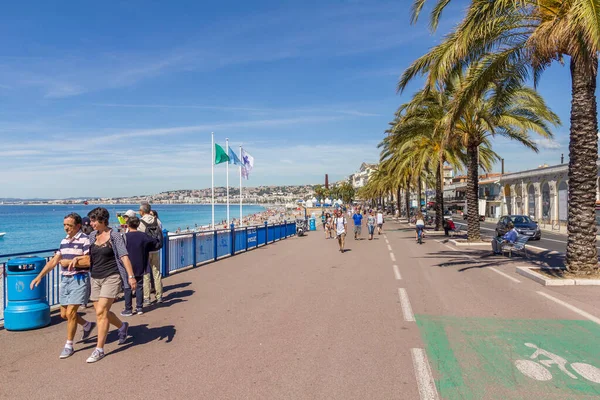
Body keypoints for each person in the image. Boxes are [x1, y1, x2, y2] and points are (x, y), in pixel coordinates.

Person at [30, 213, 95, 359]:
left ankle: (69, 345)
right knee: (64, 314)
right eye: (65, 225)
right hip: (64, 280)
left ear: (78, 226)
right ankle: (86, 325)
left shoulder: (85, 240)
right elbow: (54, 261)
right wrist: (39, 276)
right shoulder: (64, 241)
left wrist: (72, 263)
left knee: (71, 313)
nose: (66, 228)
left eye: (69, 225)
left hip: (79, 279)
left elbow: (90, 261)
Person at [86, 207, 137, 363]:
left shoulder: (115, 236)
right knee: (103, 312)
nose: (91, 223)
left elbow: (124, 256)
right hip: (95, 277)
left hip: (112, 276)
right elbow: (88, 256)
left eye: (94, 221)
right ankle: (122, 326)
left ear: (102, 220)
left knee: (101, 311)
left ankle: (99, 349)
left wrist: (131, 276)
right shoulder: (92, 236)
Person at [123, 217, 160, 316]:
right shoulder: (143, 236)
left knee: (127, 287)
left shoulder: (125, 237)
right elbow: (155, 243)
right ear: (138, 224)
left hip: (128, 264)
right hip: (141, 263)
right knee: (139, 286)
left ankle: (128, 309)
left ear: (128, 225)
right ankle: (139, 307)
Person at [139, 202, 164, 305]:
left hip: (145, 251)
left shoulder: (140, 222)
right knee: (157, 273)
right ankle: (159, 296)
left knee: (146, 274)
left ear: (141, 211)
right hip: (156, 249)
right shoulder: (156, 220)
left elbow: (139, 237)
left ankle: (147, 297)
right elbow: (161, 230)